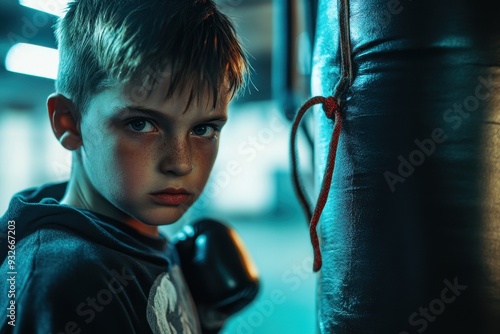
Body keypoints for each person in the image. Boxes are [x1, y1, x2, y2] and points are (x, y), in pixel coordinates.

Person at [0, 0, 253, 333]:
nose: (181, 163)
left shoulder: (135, 237)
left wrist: (205, 320)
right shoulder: (66, 282)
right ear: (69, 123)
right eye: (141, 124)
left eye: (203, 129)